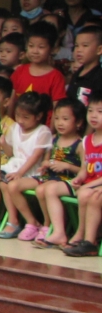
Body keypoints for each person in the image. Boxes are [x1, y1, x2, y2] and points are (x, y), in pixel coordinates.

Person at [0, 91, 54, 239]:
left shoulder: (43, 131)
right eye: (18, 116)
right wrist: (4, 144)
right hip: (16, 168)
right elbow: (11, 153)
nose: (20, 121)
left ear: (38, 116)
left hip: (34, 173)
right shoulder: (15, 128)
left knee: (13, 186)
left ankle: (32, 221)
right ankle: (13, 220)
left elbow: (35, 157)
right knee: (3, 184)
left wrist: (20, 173)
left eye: (26, 117)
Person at [31, 98, 85, 248]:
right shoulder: (54, 139)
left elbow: (84, 170)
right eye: (57, 119)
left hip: (71, 180)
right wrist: (45, 164)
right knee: (41, 189)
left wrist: (66, 166)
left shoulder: (80, 144)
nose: (60, 123)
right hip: (53, 178)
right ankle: (50, 227)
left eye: (65, 119)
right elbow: (46, 160)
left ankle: (58, 231)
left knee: (49, 189)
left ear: (79, 122)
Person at [62, 99, 102, 257]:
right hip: (92, 185)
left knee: (91, 197)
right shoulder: (87, 140)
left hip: (97, 186)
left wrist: (91, 186)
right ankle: (83, 235)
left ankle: (89, 241)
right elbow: (85, 168)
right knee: (84, 194)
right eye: (90, 111)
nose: (93, 116)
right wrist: (79, 178)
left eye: (100, 112)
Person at [12, 23, 66, 110]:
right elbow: (13, 99)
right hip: (18, 122)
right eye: (31, 46)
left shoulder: (56, 77)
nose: (35, 51)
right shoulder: (20, 70)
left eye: (41, 47)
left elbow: (57, 107)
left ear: (51, 49)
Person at [69, 23, 102, 107]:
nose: (79, 50)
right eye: (76, 46)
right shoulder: (77, 73)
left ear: (99, 50)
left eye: (85, 45)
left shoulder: (99, 77)